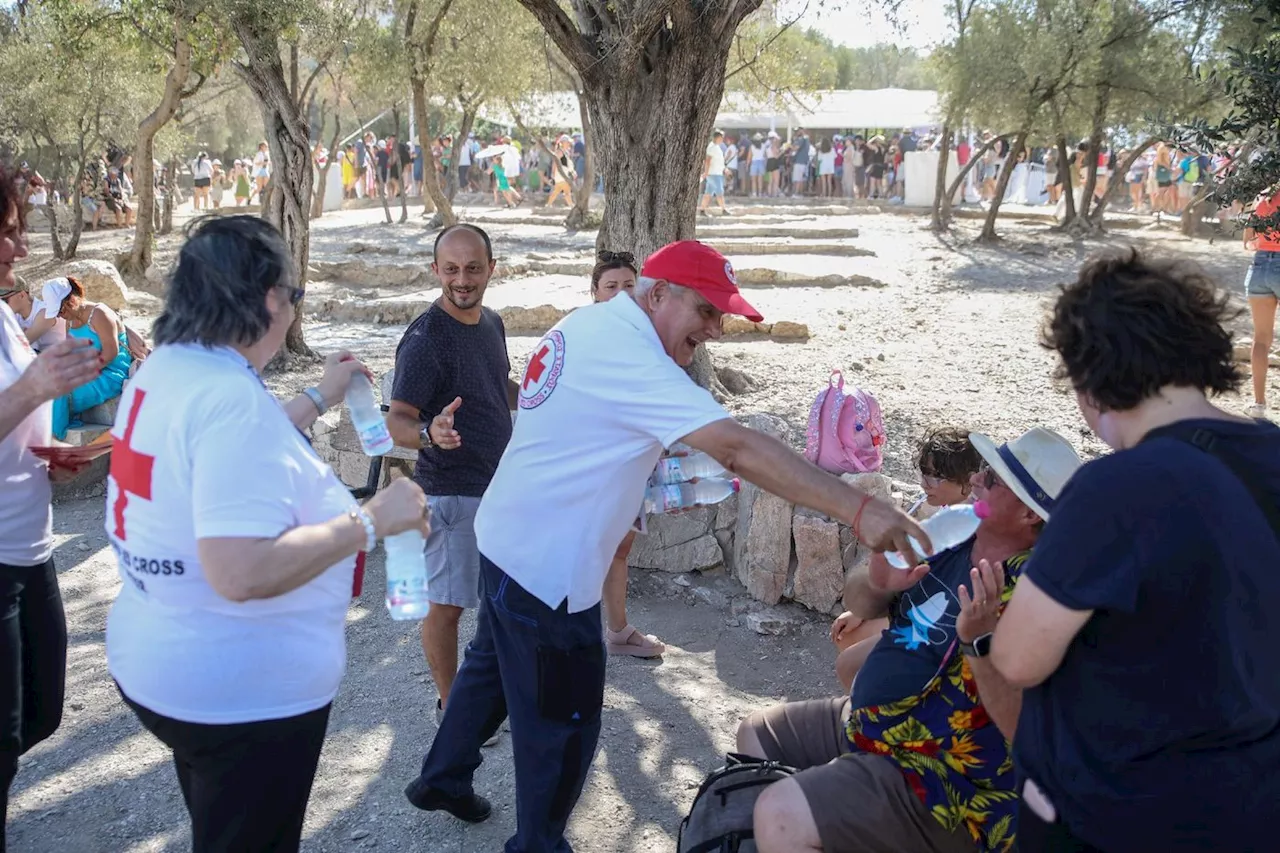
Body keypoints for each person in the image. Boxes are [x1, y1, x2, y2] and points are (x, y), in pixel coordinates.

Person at [402, 239, 931, 852]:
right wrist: (859, 507)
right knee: (563, 723)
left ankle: (442, 777)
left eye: (721, 314)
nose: (717, 327)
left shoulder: (592, 321)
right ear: (657, 293)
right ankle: (538, 844)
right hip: (549, 569)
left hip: (506, 537)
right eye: (706, 309)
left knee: (491, 666)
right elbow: (734, 447)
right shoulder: (631, 353)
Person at [104, 215, 429, 852]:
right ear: (267, 299)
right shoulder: (226, 398)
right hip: (238, 691)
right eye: (296, 296)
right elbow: (240, 572)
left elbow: (225, 459)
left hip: (170, 657)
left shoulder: (169, 368)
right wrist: (370, 521)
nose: (293, 313)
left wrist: (317, 396)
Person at [992, 250, 1280, 853]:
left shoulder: (1115, 489)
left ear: (1091, 375)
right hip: (1252, 805)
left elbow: (1018, 659)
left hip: (1119, 812)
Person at [742, 426, 1082, 853]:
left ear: (1030, 514)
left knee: (782, 812)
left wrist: (980, 643)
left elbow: (1025, 730)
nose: (975, 478)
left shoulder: (1038, 594)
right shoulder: (958, 530)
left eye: (992, 478)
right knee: (756, 735)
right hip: (882, 723)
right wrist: (880, 579)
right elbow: (862, 602)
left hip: (943, 770)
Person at [0, 167, 104, 852]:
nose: (18, 247)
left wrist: (56, 449)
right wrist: (38, 380)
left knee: (40, 710)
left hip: (32, 543)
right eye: (5, 231)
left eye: (17, 228)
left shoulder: (4, 312)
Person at [385, 224, 517, 748]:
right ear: (435, 269)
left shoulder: (493, 322)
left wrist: (538, 389)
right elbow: (395, 421)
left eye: (473, 268)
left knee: (500, 604)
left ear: (491, 267)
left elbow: (495, 381)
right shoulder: (424, 339)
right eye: (452, 269)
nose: (463, 280)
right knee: (447, 607)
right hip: (452, 496)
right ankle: (452, 706)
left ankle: (485, 696)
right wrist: (429, 434)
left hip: (501, 489)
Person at [828, 426, 983, 692]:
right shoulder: (944, 517)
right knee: (847, 636)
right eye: (924, 474)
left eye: (935, 478)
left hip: (937, 628)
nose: (924, 484)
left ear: (968, 482)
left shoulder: (963, 530)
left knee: (849, 664)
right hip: (916, 611)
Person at [585, 250, 666, 658]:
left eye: (629, 285)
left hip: (633, 460)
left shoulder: (649, 335)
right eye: (611, 286)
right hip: (592, 461)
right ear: (595, 293)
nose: (620, 293)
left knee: (620, 547)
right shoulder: (582, 335)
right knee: (584, 547)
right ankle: (567, 639)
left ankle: (617, 632)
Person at [46, 277, 131, 441]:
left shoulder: (100, 314)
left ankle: (54, 437)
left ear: (71, 299)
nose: (60, 316)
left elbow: (111, 353)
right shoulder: (69, 322)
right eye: (57, 313)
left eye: (61, 311)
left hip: (109, 374)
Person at [1243, 189, 1279, 419]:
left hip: (1259, 267)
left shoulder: (1262, 198)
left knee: (1261, 339)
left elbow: (1247, 242)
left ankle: (1259, 404)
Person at [1, 276, 68, 352]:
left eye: (4, 300)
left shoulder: (45, 312)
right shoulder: (15, 315)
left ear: (22, 295)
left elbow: (19, 345)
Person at [699, 130, 729, 217]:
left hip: (717, 172)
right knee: (719, 191)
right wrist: (706, 172)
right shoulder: (712, 147)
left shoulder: (716, 147)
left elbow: (719, 161)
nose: (722, 139)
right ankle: (723, 209)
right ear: (718, 137)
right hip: (714, 173)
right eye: (721, 137)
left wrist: (725, 169)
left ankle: (702, 209)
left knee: (708, 193)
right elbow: (707, 161)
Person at [791, 129, 811, 196]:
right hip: (803, 162)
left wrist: (788, 146)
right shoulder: (807, 140)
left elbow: (796, 148)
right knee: (801, 178)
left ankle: (796, 193)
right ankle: (800, 193)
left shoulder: (802, 139)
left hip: (800, 161)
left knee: (797, 178)